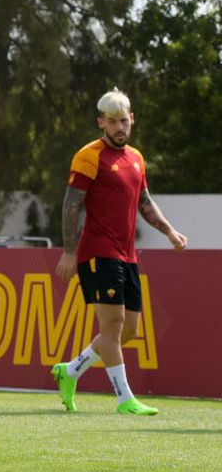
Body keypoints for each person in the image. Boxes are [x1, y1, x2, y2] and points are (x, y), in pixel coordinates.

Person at [50, 89, 187, 415]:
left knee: (128, 331)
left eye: (123, 120)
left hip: (128, 255)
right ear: (101, 122)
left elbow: (145, 202)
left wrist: (170, 231)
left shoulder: (136, 158)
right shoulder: (88, 156)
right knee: (112, 326)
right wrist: (69, 252)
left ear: (132, 119)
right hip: (98, 253)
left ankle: (70, 371)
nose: (119, 127)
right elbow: (71, 205)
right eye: (112, 121)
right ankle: (125, 399)